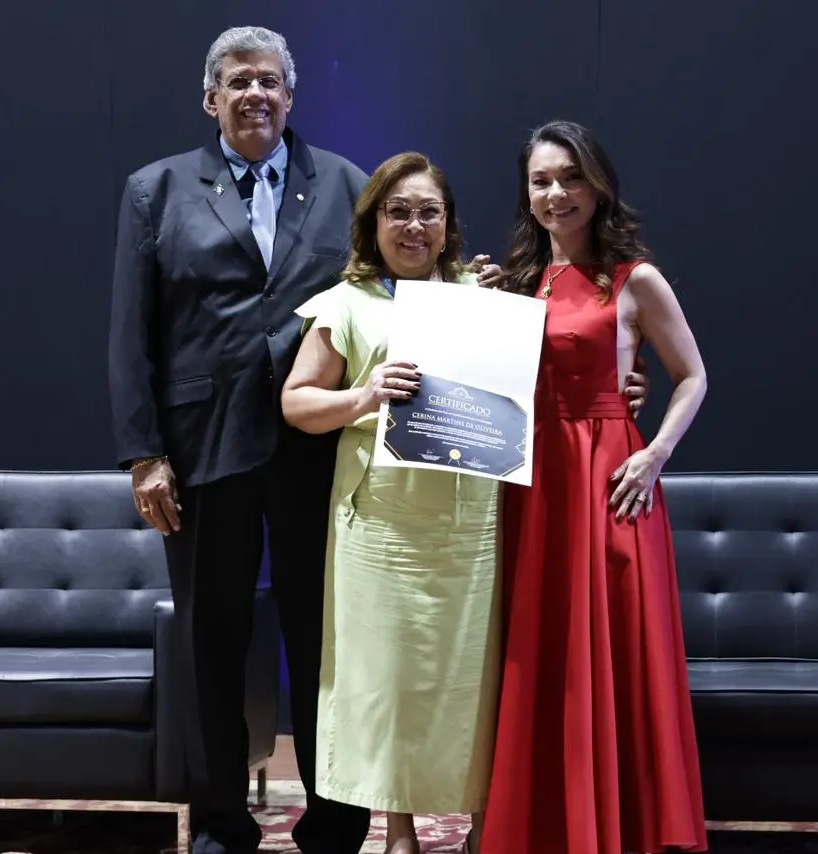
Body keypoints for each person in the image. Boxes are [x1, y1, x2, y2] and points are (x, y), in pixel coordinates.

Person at [107, 26, 511, 854]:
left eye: (269, 82)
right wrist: (143, 452)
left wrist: (476, 292)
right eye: (237, 81)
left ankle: (335, 818)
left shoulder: (347, 184)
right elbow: (129, 331)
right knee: (211, 638)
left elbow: (402, 279)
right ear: (210, 98)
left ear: (291, 97)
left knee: (328, 639)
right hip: (202, 448)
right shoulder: (156, 189)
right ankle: (221, 818)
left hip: (320, 452)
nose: (254, 94)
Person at [478, 120, 710, 854]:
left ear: (598, 184)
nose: (556, 194)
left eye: (570, 178)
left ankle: (620, 826)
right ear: (527, 191)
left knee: (611, 649)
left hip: (607, 473)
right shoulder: (517, 280)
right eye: (542, 180)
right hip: (532, 478)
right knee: (539, 649)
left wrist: (655, 455)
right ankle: (543, 824)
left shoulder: (633, 276)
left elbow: (694, 377)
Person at [280, 152, 501, 854]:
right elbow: (296, 403)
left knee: (474, 680)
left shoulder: (482, 295)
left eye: (428, 212)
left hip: (471, 526)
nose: (413, 225)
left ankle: (480, 825)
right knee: (392, 688)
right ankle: (399, 832)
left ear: (449, 225)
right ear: (373, 222)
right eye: (397, 211)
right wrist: (366, 395)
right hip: (380, 527)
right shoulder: (344, 302)